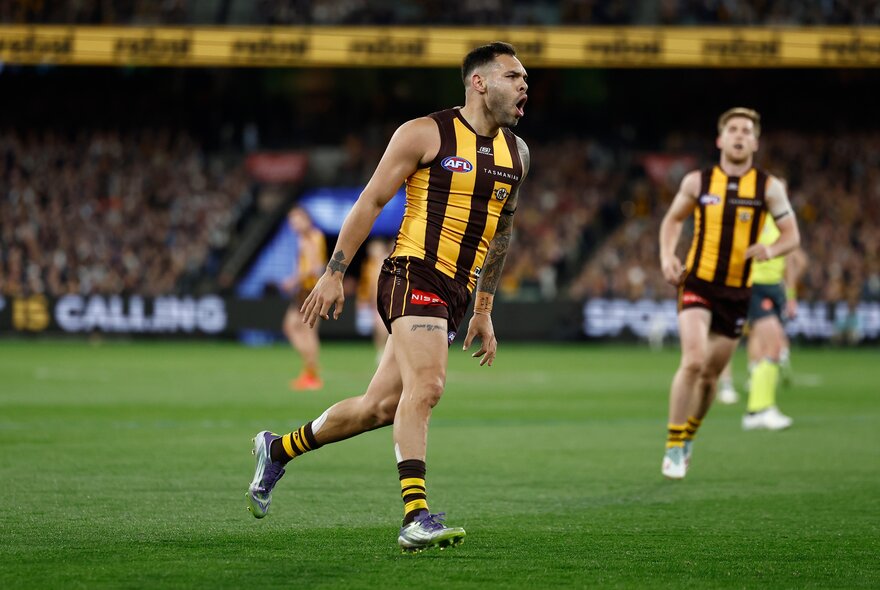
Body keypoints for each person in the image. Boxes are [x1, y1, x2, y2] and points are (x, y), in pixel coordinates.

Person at [247, 42, 530, 551]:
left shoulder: (519, 154)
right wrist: (335, 272)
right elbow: (372, 199)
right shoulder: (426, 132)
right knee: (429, 386)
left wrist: (484, 309)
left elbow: (501, 233)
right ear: (479, 83)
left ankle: (279, 449)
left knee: (379, 407)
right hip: (411, 273)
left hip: (458, 292)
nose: (524, 86)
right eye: (513, 76)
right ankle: (415, 516)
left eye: (524, 79)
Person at [658, 107, 800, 479]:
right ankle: (673, 445)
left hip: (737, 292)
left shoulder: (768, 187)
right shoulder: (697, 182)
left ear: (755, 141)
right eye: (733, 129)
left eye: (746, 131)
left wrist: (771, 250)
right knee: (692, 361)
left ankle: (689, 435)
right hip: (698, 283)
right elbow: (672, 220)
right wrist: (667, 256)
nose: (739, 135)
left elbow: (792, 236)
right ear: (720, 139)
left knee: (709, 376)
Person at [742, 219, 807, 430]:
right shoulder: (754, 215)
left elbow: (789, 258)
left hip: (774, 289)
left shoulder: (781, 220)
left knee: (774, 347)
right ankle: (759, 409)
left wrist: (790, 294)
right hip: (755, 287)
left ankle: (758, 410)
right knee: (773, 345)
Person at [280, 206, 327, 391]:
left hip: (310, 289)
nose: (294, 225)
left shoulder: (314, 237)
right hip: (304, 290)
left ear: (306, 220)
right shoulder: (304, 239)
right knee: (292, 326)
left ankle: (312, 373)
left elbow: (315, 266)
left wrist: (293, 280)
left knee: (307, 331)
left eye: (297, 220)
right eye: (292, 221)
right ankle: (310, 367)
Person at [356, 238, 392, 364]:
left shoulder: (381, 263)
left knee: (381, 326)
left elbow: (375, 285)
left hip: (382, 300)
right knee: (376, 327)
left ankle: (383, 351)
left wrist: (375, 300)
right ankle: (381, 351)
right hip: (373, 300)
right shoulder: (370, 263)